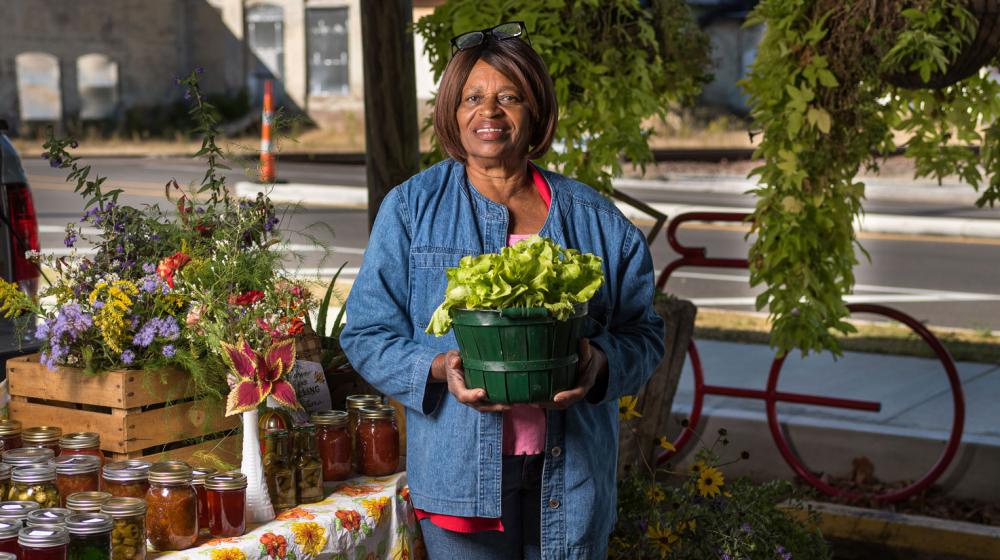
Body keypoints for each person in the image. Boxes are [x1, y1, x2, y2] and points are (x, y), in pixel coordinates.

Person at [340, 21, 664, 560]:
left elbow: (645, 336)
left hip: (572, 476)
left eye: (508, 96)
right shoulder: (412, 210)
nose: (488, 112)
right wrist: (440, 366)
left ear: (534, 110)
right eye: (472, 97)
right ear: (452, 111)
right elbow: (367, 333)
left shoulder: (597, 220)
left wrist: (599, 362)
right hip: (461, 480)